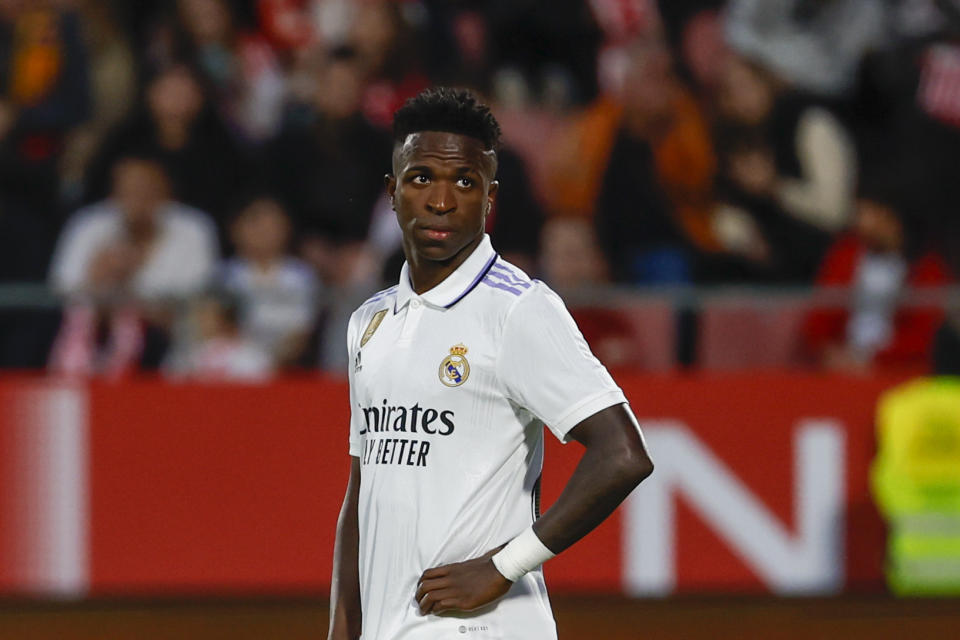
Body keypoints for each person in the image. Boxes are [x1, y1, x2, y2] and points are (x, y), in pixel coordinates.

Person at [328, 88, 653, 640]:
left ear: (490, 197)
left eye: (464, 182)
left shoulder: (517, 309)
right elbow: (364, 489)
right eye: (421, 177)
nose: (440, 200)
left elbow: (623, 455)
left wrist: (505, 565)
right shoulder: (369, 322)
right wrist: (344, 629)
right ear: (392, 191)